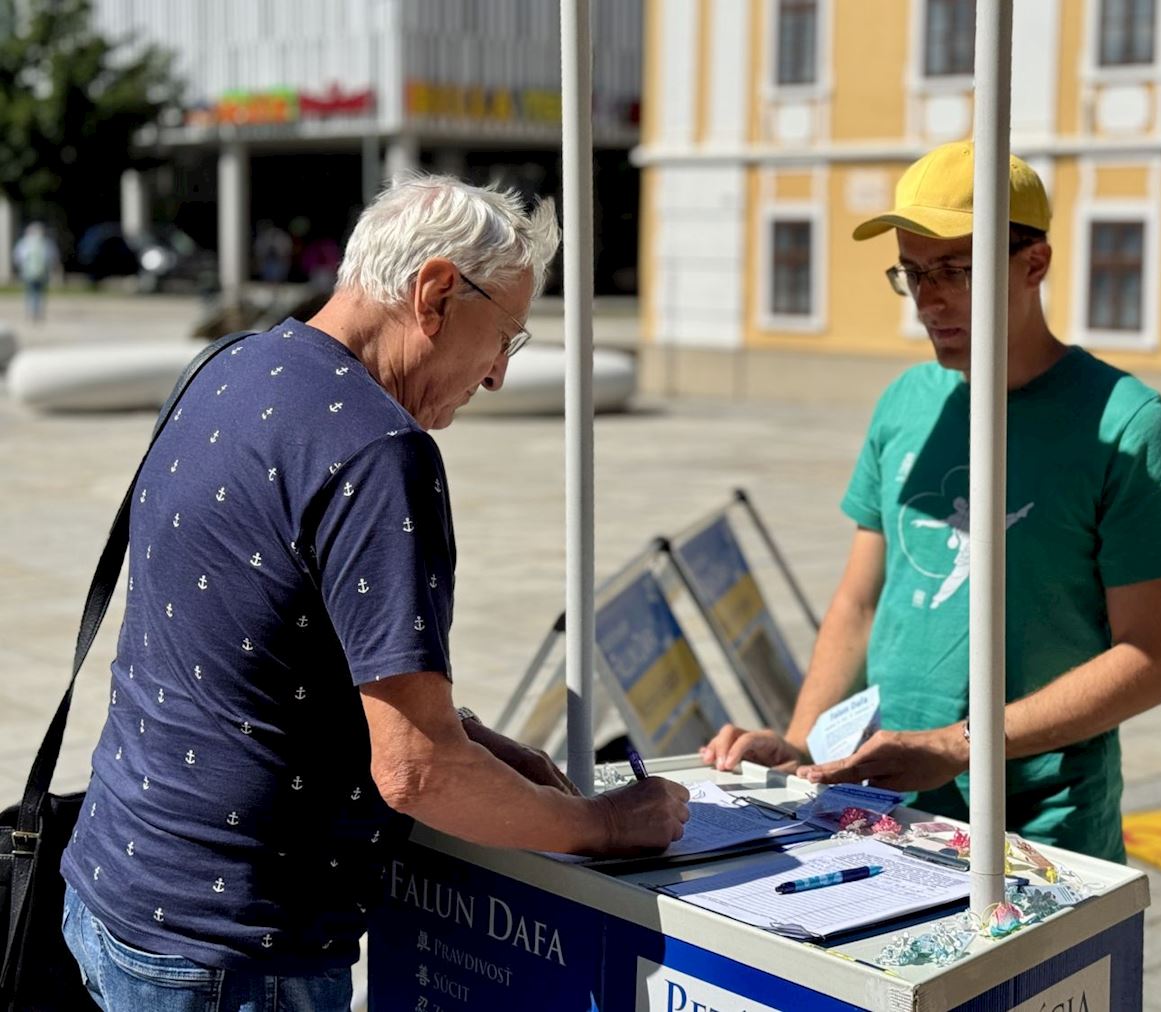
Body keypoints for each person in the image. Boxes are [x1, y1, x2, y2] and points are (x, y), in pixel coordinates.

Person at [60, 175, 690, 1011]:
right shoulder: (376, 450)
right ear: (434, 293)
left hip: (115, 889)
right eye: (505, 335)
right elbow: (418, 774)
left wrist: (472, 737)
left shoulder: (227, 366)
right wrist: (611, 826)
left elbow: (267, 654)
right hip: (237, 956)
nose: (499, 374)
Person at [702, 141, 1161, 863]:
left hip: (1040, 818)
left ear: (1035, 264)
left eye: (957, 270)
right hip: (881, 801)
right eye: (913, 272)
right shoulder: (907, 402)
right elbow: (861, 601)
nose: (930, 298)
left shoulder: (1124, 424)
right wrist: (804, 745)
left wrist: (963, 746)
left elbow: (1152, 658)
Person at [13, 220, 59, 322]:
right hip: (41, 273)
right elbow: (52, 257)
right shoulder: (46, 243)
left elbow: (18, 257)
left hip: (29, 273)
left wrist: (20, 269)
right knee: (40, 294)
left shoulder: (24, 243)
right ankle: (37, 313)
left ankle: (31, 313)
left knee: (30, 293)